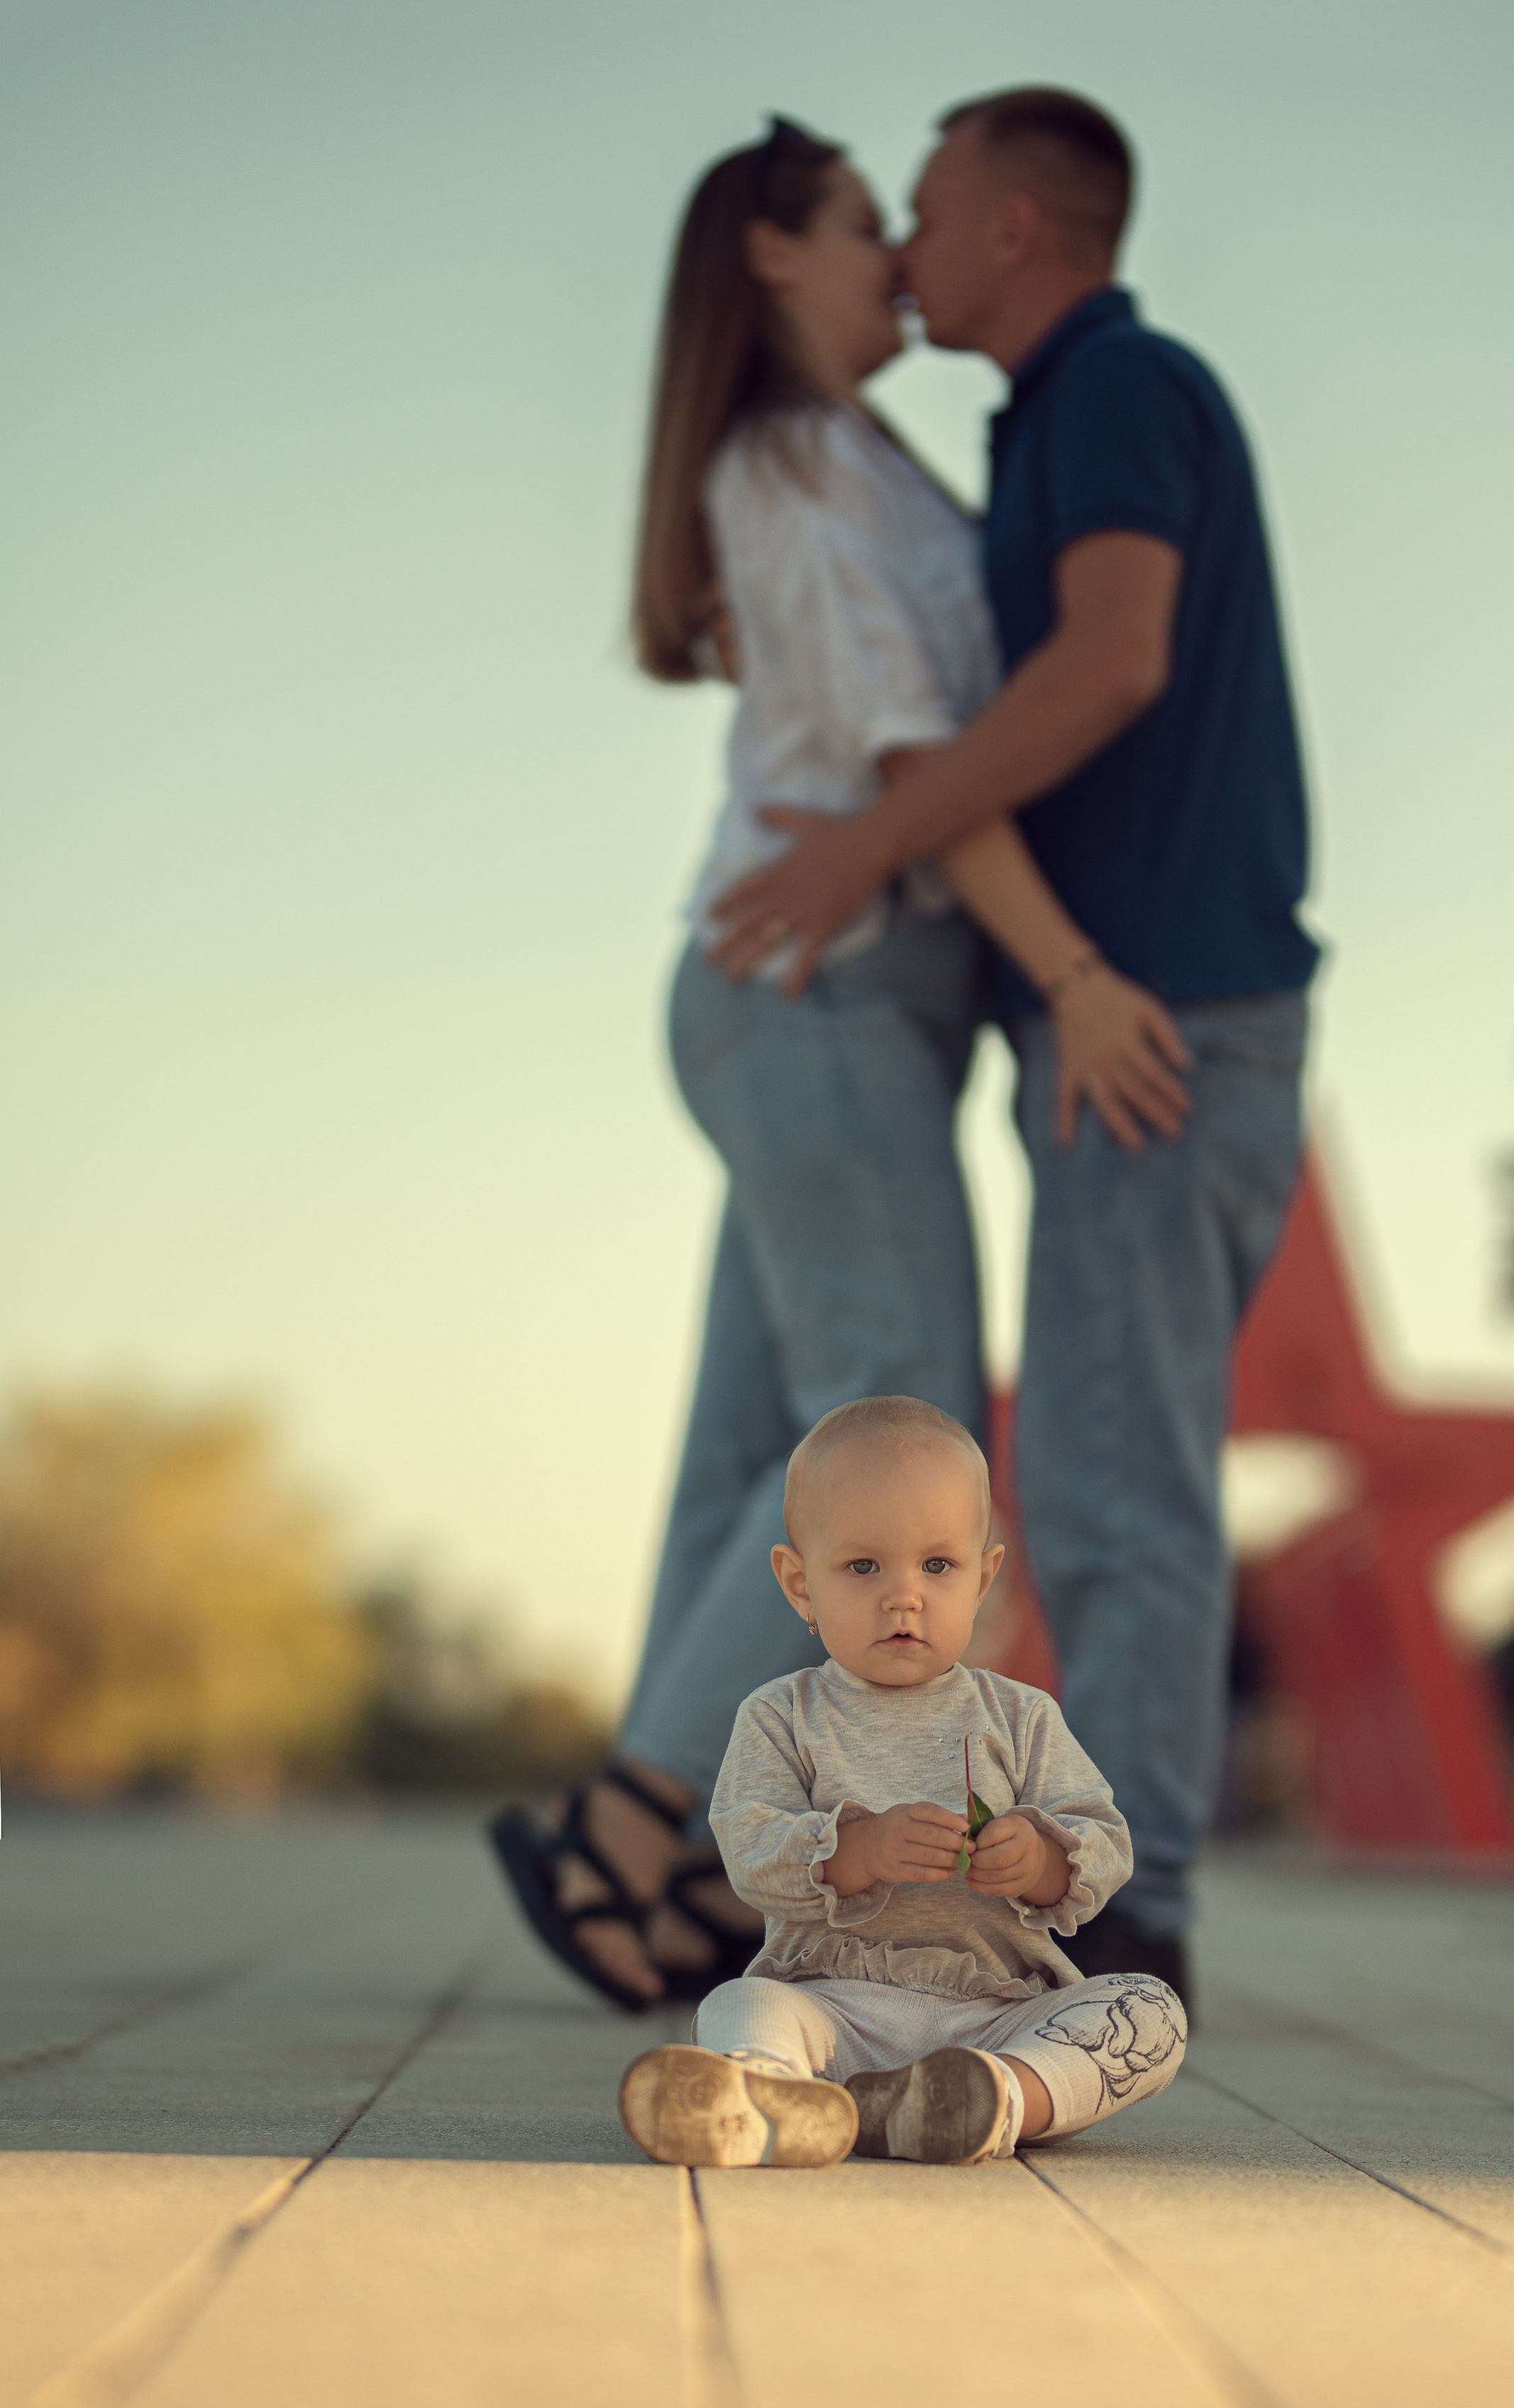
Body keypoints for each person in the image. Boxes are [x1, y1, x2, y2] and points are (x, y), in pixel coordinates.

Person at [491, 118, 1193, 2012]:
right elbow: (905, 769)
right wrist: (1071, 965)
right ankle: (647, 1824)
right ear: (770, 263)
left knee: (758, 1452)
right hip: (817, 996)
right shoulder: (797, 469)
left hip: (828, 1002)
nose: (895, 255)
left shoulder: (843, 467)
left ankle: (641, 1853)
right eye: (859, 228)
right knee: (895, 1410)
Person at [711, 90, 1320, 2004]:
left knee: (1117, 1475)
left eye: (933, 203)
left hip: (1158, 1024)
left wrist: (874, 848)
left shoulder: (1123, 389)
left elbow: (1114, 660)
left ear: (1022, 231)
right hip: (1129, 1015)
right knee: (1094, 1462)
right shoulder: (1049, 417)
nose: (902, 241)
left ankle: (1133, 1924)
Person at [618, 1396, 1187, 2167]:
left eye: (937, 1565)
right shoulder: (782, 1715)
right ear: (798, 1584)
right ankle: (768, 2091)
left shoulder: (1020, 1716)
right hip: (833, 2009)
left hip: (997, 2014)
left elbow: (1104, 1839)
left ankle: (991, 2096)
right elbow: (750, 1849)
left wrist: (1044, 1860)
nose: (903, 1595)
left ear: (983, 1577)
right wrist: (859, 1849)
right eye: (862, 1566)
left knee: (1146, 2014)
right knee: (738, 2003)